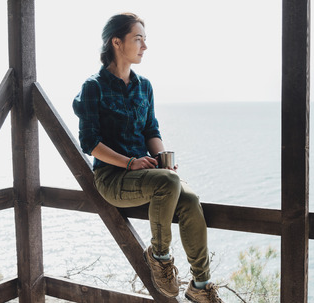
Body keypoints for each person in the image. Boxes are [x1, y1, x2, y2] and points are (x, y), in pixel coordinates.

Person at [72, 13, 223, 303]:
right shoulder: (94, 87)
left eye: (144, 39)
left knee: (189, 199)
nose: (144, 46)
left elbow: (151, 130)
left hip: (148, 176)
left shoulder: (144, 86)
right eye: (138, 39)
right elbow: (89, 143)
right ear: (116, 42)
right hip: (113, 178)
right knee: (168, 182)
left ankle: (201, 285)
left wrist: (162, 157)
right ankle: (159, 257)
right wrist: (130, 163)